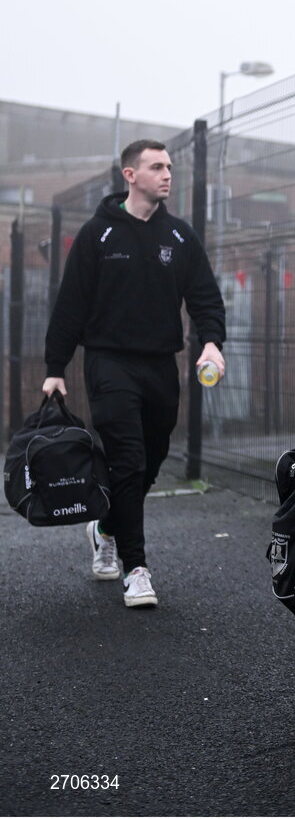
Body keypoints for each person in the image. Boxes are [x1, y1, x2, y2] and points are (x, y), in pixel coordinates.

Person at [43, 140, 226, 608]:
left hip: (160, 365)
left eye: (169, 166)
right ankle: (136, 568)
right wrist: (54, 368)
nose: (167, 174)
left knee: (150, 457)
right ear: (130, 175)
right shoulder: (97, 234)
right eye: (157, 167)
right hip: (108, 362)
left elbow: (205, 297)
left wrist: (210, 342)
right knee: (127, 458)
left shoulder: (179, 236)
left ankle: (105, 527)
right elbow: (70, 306)